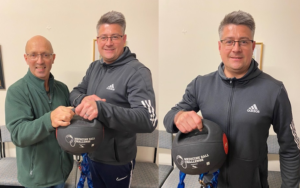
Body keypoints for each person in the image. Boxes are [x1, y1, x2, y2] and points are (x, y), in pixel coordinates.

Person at [164, 10, 300, 188]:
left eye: (243, 41)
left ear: (252, 46)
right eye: (229, 41)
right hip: (211, 184)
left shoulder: (274, 90)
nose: (236, 48)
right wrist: (178, 117)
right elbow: (169, 118)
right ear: (220, 47)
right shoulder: (200, 84)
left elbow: (290, 148)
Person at [69, 10, 157, 188]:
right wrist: (84, 99)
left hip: (117, 162)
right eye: (103, 37)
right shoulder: (94, 67)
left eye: (114, 37)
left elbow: (147, 120)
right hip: (91, 153)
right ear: (98, 40)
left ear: (124, 39)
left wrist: (101, 109)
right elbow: (74, 92)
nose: (108, 43)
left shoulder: (137, 72)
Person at [5, 35, 75, 188]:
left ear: (53, 58)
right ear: (26, 58)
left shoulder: (62, 88)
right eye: (33, 55)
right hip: (36, 179)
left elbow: (70, 125)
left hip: (62, 173)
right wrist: (49, 119)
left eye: (45, 55)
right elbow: (18, 134)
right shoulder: (17, 91)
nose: (40, 61)